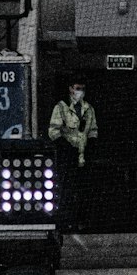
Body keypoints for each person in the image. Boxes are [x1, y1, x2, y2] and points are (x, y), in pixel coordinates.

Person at [47, 78, 98, 230]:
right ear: (70, 89)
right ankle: (65, 222)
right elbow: (53, 131)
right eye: (77, 88)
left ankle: (82, 222)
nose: (80, 91)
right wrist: (66, 147)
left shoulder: (89, 109)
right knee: (65, 190)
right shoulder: (61, 108)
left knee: (83, 191)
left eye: (82, 88)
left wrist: (91, 146)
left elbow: (93, 130)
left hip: (82, 157)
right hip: (67, 156)